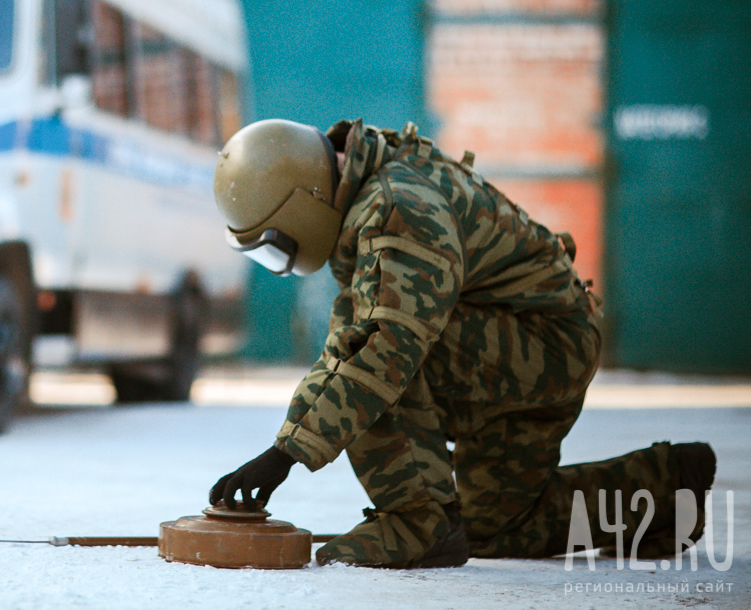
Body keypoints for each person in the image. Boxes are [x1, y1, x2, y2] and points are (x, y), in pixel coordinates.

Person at [209, 117, 716, 568]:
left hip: (540, 347)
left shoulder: (396, 209)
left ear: (303, 206)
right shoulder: (375, 184)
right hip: (537, 349)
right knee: (493, 526)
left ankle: (418, 525)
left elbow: (387, 345)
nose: (283, 261)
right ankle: (666, 487)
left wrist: (286, 452)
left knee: (379, 351)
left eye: (275, 246)